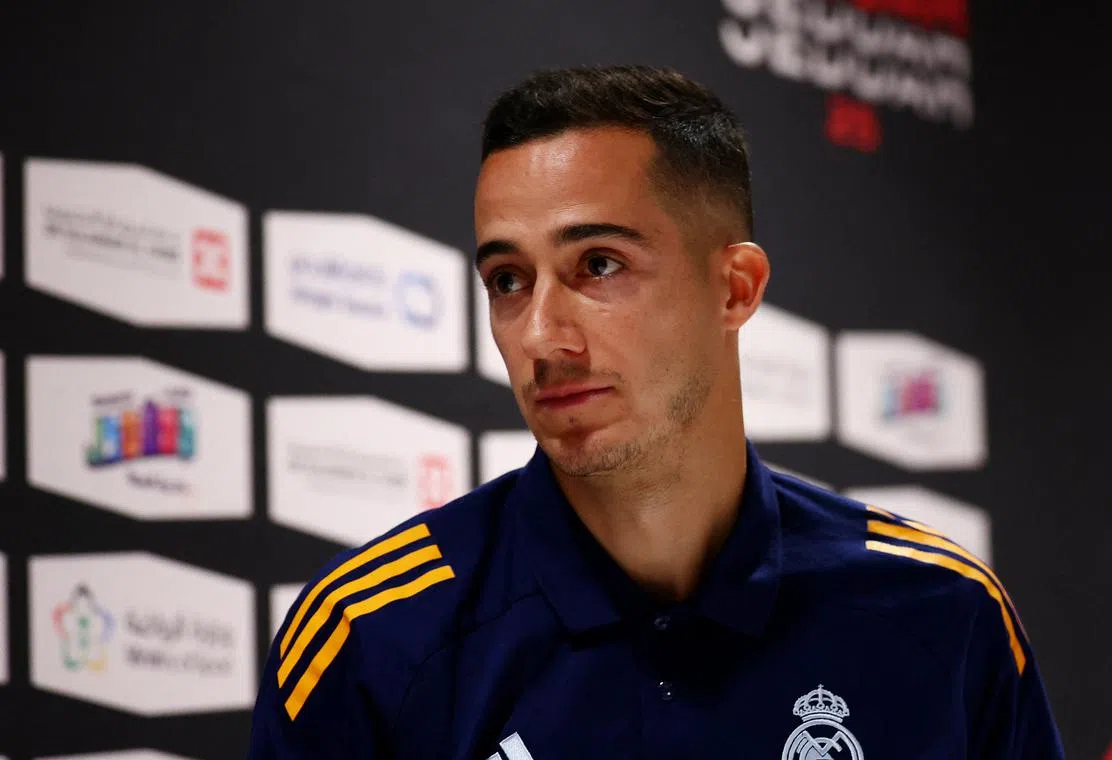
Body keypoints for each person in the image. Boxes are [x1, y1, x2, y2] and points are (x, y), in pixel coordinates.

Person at [247, 65, 1065, 759]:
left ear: (735, 288)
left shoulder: (943, 616)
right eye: (507, 279)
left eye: (597, 265)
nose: (540, 336)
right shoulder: (371, 640)